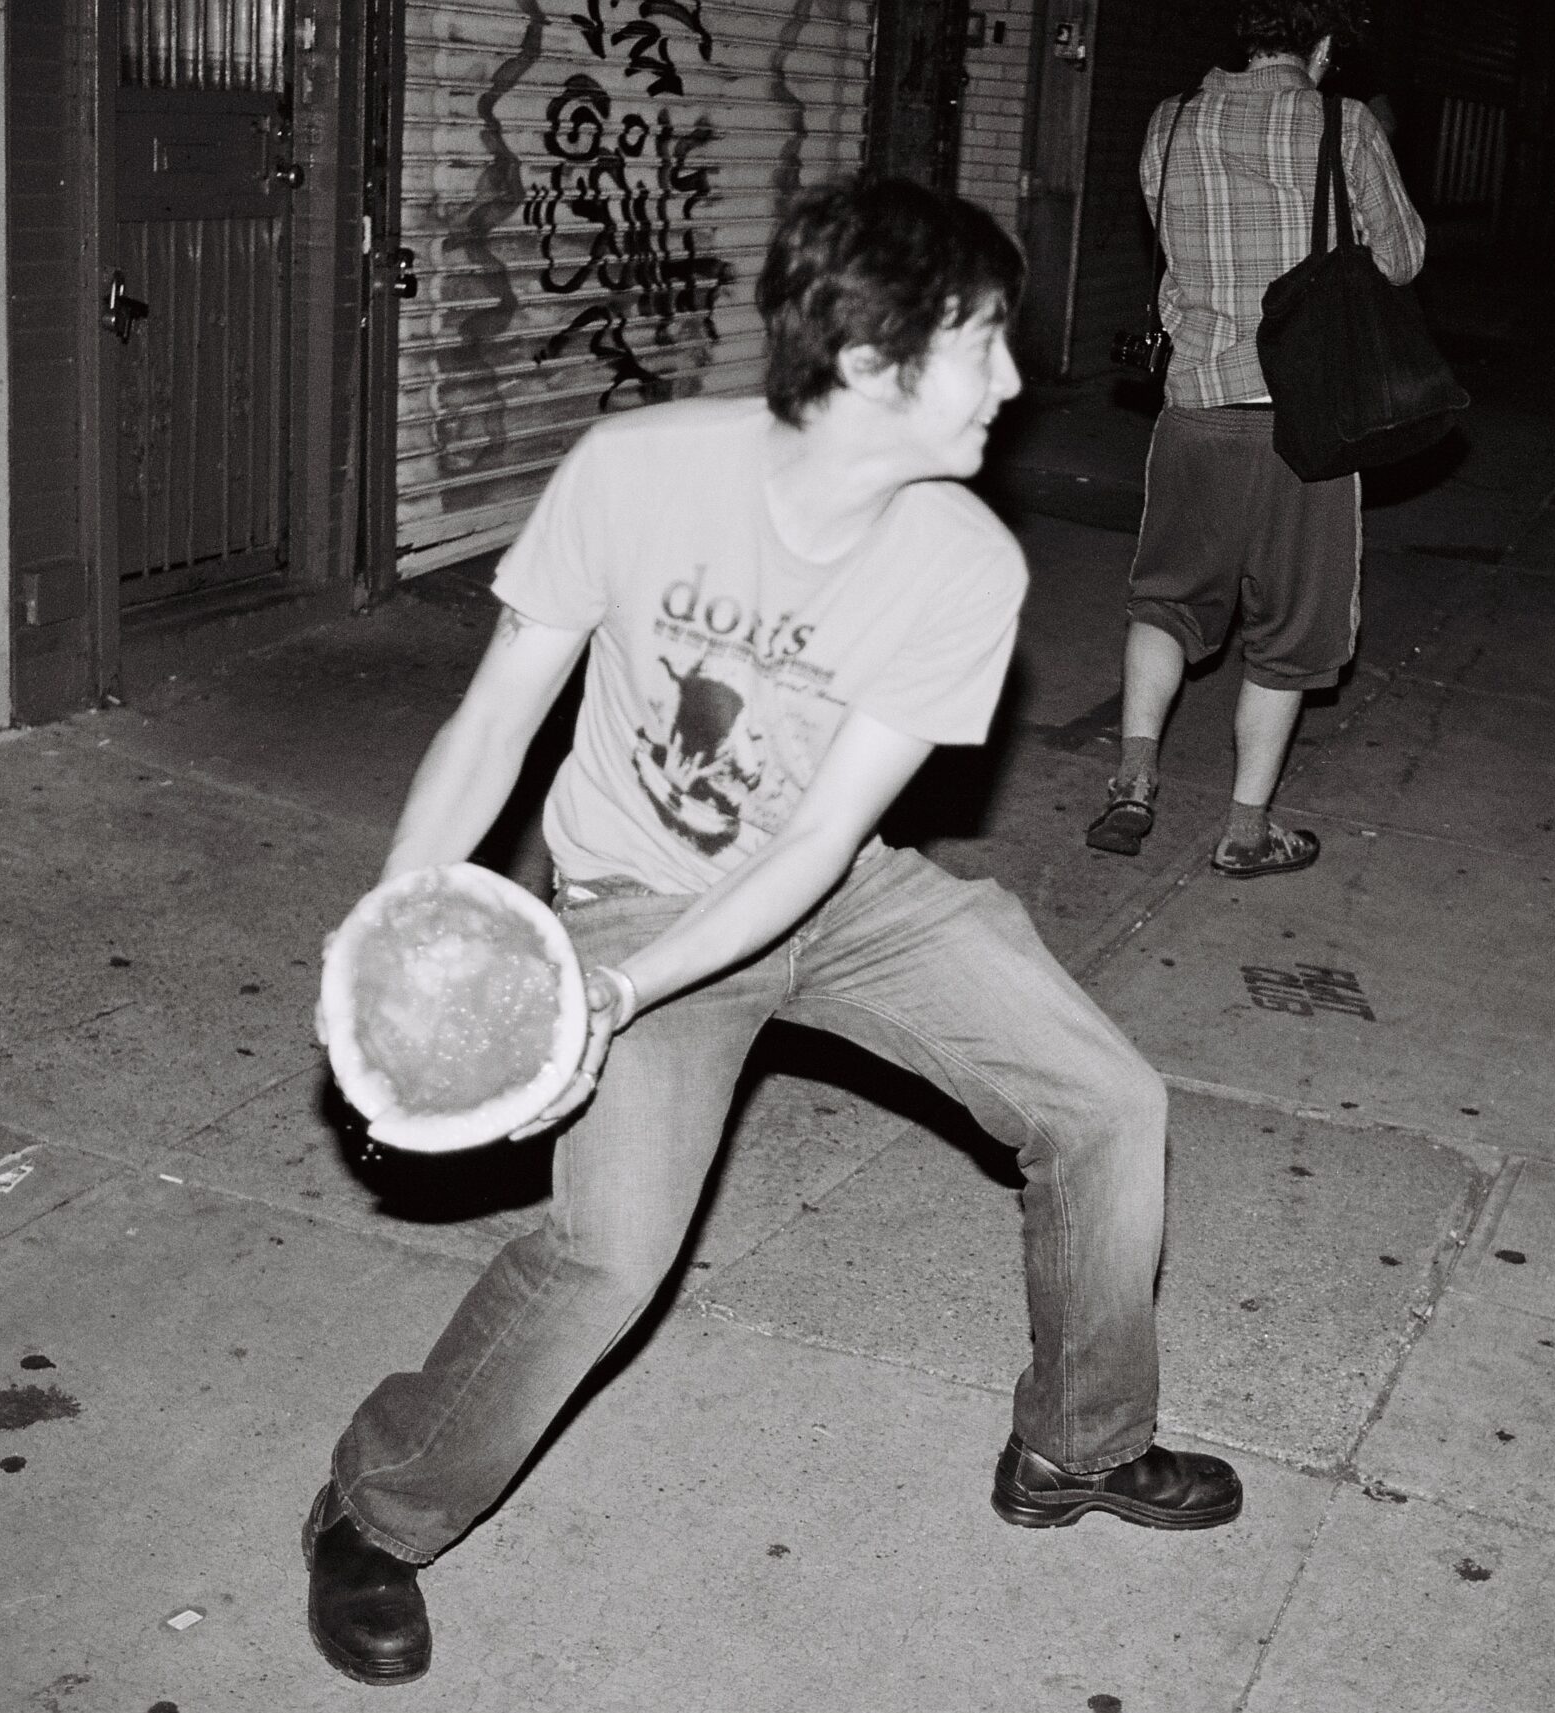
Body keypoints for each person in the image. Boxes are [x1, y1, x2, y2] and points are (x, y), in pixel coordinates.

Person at [300, 178, 1240, 1688]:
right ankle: (376, 1507)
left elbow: (811, 844)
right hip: (634, 888)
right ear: (870, 363)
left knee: (1108, 1102)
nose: (1012, 382)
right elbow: (493, 723)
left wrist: (618, 996)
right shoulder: (638, 472)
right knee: (609, 1258)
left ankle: (1080, 1444)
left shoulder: (964, 564)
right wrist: (398, 930)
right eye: (981, 344)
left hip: (837, 892)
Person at [1085, 0, 1426, 876]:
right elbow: (1401, 258)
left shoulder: (1171, 121)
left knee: (1165, 600)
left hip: (1194, 408)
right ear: (1322, 46)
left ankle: (1133, 779)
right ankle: (1245, 830)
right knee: (1290, 631)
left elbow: (1168, 243)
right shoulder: (1344, 125)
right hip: (1307, 424)